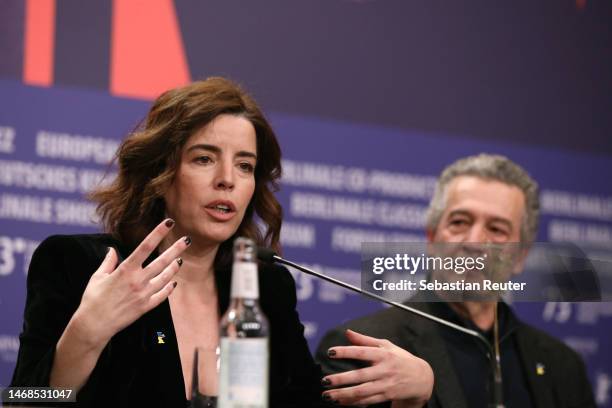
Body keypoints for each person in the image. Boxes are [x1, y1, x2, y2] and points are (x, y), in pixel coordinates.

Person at [10, 77, 433, 408]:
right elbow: (22, 400)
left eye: (244, 165)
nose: (227, 179)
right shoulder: (83, 264)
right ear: (161, 173)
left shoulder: (264, 287)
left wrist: (411, 395)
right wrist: (85, 335)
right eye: (204, 158)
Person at [316, 154, 596, 408]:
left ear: (520, 256)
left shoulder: (563, 366)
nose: (475, 243)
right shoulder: (364, 349)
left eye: (497, 229)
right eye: (460, 222)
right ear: (431, 238)